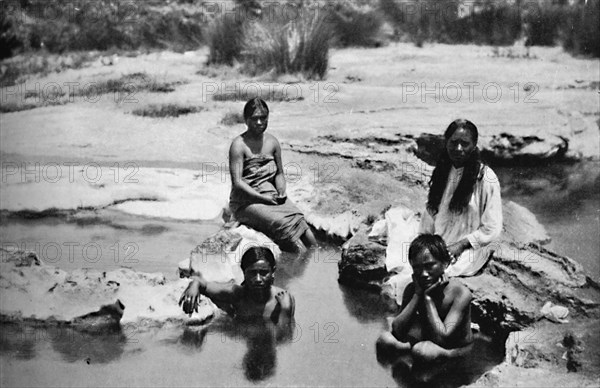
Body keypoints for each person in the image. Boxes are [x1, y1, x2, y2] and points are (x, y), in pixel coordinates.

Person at [228, 98, 316, 253]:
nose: (260, 122)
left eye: (263, 118)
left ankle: (315, 259)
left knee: (302, 223)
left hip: (271, 195)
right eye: (255, 119)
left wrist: (282, 191)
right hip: (246, 202)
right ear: (246, 120)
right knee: (284, 225)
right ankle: (298, 265)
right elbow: (237, 183)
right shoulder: (239, 145)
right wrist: (263, 199)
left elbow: (280, 174)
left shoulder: (272, 142)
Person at [419, 118, 502, 277]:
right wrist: (427, 243)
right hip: (440, 241)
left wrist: (460, 245)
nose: (458, 148)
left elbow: (492, 227)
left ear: (474, 145)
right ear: (446, 143)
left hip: (471, 247)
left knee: (442, 271)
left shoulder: (485, 178)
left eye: (465, 143)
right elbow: (430, 213)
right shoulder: (442, 171)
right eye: (453, 142)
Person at [376, 234, 473, 365]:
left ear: (445, 263)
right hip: (429, 340)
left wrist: (428, 299)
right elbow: (397, 329)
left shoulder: (460, 293)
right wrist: (417, 295)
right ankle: (412, 352)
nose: (423, 274)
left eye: (430, 266)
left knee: (423, 351)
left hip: (453, 348)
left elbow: (444, 336)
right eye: (417, 268)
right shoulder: (413, 287)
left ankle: (444, 357)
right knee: (385, 340)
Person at [179, 246, 294, 325]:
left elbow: (284, 338)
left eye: (264, 273)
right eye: (252, 273)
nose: (258, 279)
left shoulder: (283, 300)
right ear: (244, 272)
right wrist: (194, 285)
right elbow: (204, 284)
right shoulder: (237, 294)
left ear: (273, 272)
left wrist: (285, 311)